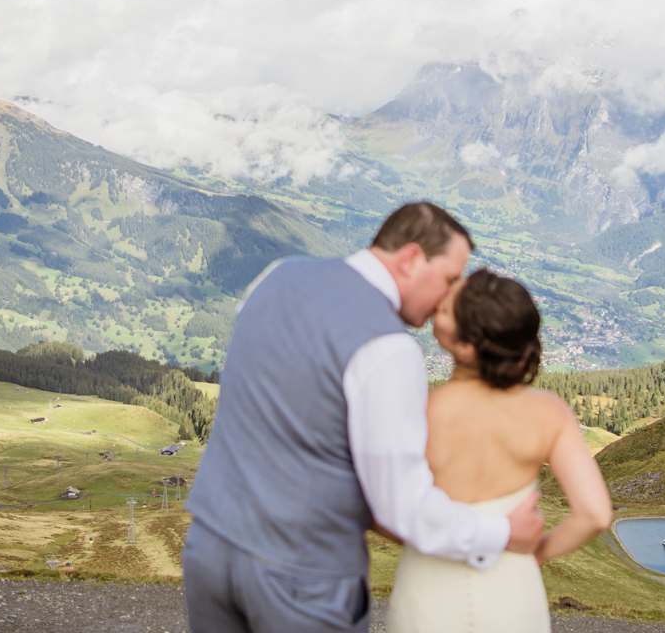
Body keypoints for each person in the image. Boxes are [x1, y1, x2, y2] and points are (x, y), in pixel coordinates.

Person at [184, 202, 546, 633]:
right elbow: (401, 506)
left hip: (209, 548)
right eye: (449, 279)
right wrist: (502, 533)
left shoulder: (277, 275)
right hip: (302, 577)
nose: (449, 300)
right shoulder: (388, 347)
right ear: (411, 259)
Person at [385, 268, 612, 633]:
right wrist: (537, 553)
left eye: (444, 309)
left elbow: (385, 512)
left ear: (465, 346)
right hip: (511, 589)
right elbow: (595, 515)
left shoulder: (421, 410)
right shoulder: (548, 412)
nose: (436, 305)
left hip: (427, 589)